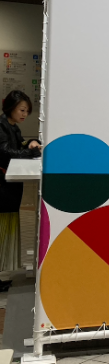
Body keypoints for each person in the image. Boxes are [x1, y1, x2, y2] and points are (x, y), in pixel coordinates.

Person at [0, 90, 41, 288]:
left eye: (27, 111)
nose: (25, 114)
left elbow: (20, 143)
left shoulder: (12, 126)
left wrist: (31, 143)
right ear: (11, 108)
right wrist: (28, 152)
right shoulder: (1, 126)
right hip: (2, 186)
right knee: (2, 229)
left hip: (8, 187)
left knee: (6, 229)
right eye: (22, 110)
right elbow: (5, 151)